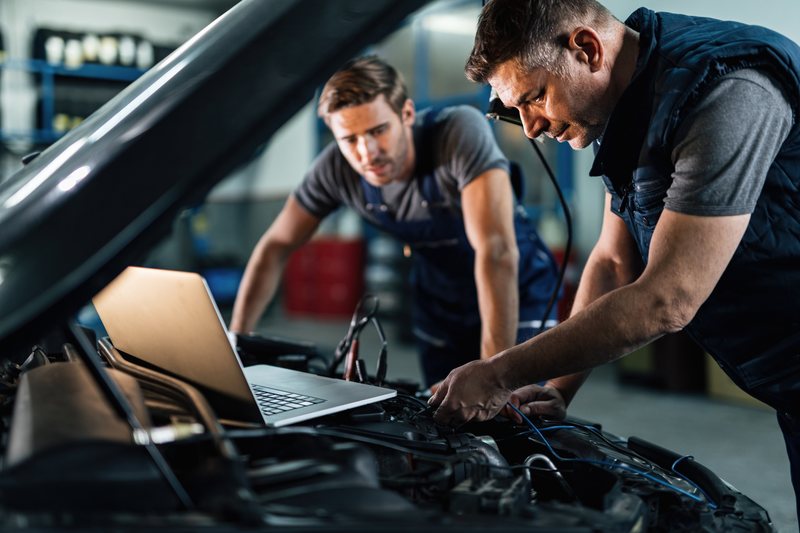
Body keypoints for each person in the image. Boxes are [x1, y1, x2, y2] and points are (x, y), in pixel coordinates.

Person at [428, 0, 800, 520]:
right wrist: (555, 392)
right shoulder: (629, 108)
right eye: (514, 111)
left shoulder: (729, 90)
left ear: (586, 48)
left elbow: (669, 298)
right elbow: (612, 261)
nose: (530, 128)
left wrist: (498, 374)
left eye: (534, 97)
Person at [230, 56, 559, 388]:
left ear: (407, 114)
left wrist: (492, 376)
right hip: (440, 299)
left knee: (517, 414)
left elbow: (496, 251)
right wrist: (238, 343)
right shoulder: (335, 170)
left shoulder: (457, 133)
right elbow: (276, 246)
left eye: (378, 130)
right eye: (350, 139)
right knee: (445, 415)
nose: (367, 152)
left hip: (516, 286)